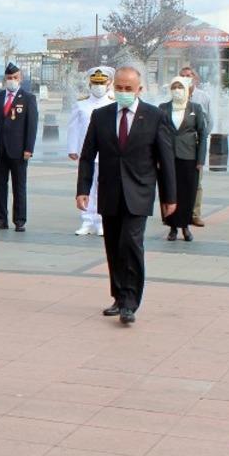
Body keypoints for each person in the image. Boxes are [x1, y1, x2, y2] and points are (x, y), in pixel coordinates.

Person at [76, 66, 175, 325]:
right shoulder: (101, 116)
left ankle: (131, 302)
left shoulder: (154, 116)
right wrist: (82, 190)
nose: (122, 92)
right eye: (118, 87)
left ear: (139, 90)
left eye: (127, 89)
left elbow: (165, 160)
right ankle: (119, 296)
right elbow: (87, 156)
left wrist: (169, 197)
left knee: (131, 244)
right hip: (109, 191)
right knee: (113, 245)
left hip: (139, 192)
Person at [0, 62, 38, 232]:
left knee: (19, 186)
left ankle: (19, 220)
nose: (12, 80)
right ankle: (1, 219)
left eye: (15, 78)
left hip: (19, 151)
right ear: (4, 79)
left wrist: (28, 149)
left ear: (20, 79)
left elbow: (32, 126)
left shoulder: (28, 98)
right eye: (9, 78)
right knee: (0, 186)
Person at [157, 76, 208, 241]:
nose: (177, 90)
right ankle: (172, 226)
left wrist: (200, 159)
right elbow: (156, 133)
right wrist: (157, 157)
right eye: (174, 87)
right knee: (169, 191)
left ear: (186, 89)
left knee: (188, 192)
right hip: (167, 156)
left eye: (180, 87)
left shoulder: (195, 108)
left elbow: (203, 133)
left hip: (189, 156)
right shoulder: (163, 108)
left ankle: (185, 226)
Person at [66, 66, 114, 236]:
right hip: (86, 153)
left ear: (108, 83)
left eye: (101, 83)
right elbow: (73, 127)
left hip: (107, 154)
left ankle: (101, 220)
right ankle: (87, 220)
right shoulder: (81, 104)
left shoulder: (113, 104)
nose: (98, 86)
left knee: (103, 187)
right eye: (95, 83)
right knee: (87, 187)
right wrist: (72, 148)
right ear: (90, 84)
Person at [178, 66, 209, 227]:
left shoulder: (203, 97)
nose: (186, 78)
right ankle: (177, 212)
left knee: (197, 183)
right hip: (178, 147)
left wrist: (201, 143)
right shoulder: (174, 94)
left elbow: (208, 121)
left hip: (195, 145)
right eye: (183, 75)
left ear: (195, 78)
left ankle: (195, 213)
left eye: (189, 75)